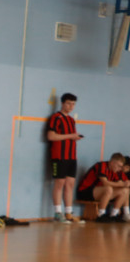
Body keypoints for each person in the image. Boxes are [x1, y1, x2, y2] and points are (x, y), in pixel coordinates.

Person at [46, 93, 84, 224]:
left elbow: (69, 137)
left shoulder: (71, 120)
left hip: (71, 157)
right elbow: (51, 136)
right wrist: (70, 136)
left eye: (73, 104)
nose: (71, 106)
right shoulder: (56, 118)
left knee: (70, 184)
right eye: (68, 103)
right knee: (59, 184)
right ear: (62, 103)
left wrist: (75, 137)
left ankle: (69, 213)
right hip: (59, 156)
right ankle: (58, 213)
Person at [77, 153, 128, 222]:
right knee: (108, 188)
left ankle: (114, 215)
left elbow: (121, 183)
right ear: (112, 162)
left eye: (121, 167)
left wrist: (126, 183)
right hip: (85, 191)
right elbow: (105, 183)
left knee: (125, 190)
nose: (119, 168)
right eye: (118, 166)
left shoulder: (115, 171)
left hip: (98, 192)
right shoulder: (101, 166)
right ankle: (101, 215)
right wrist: (122, 184)